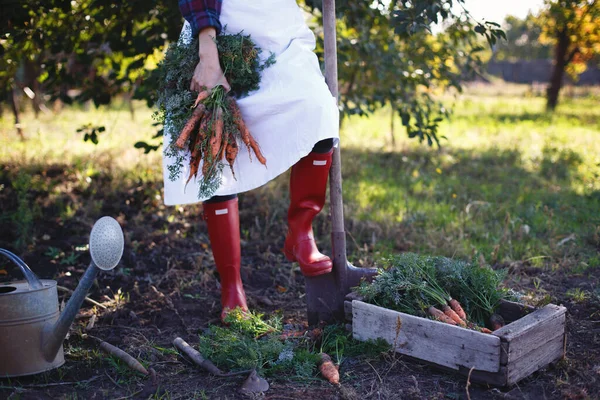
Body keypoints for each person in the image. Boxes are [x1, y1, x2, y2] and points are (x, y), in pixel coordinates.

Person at [165, 0, 339, 321]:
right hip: (219, 28)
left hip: (280, 34)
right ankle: (232, 286)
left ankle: (301, 234)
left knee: (319, 111)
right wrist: (207, 52)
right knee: (212, 149)